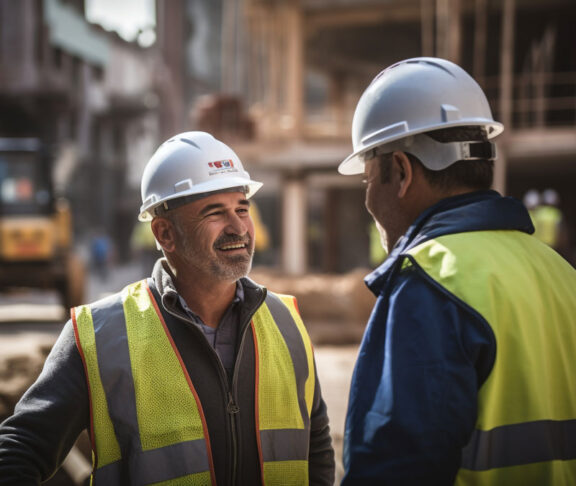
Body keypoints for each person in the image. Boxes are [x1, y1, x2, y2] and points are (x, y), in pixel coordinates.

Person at [0, 131, 335, 485]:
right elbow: (19, 451)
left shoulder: (286, 322)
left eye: (242, 208)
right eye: (215, 213)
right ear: (165, 234)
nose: (238, 227)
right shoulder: (100, 336)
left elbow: (316, 451)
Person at [337, 57, 576, 485]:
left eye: (369, 179)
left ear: (403, 172)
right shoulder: (561, 274)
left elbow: (395, 467)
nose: (368, 198)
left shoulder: (429, 283)